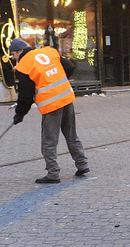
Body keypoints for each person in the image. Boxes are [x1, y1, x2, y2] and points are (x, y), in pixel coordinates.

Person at [10, 38, 89, 184]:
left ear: (20, 51)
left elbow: (25, 97)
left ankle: (53, 173)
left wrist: (19, 114)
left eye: (14, 55)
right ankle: (82, 165)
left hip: (51, 104)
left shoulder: (24, 66)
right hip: (66, 98)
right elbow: (70, 68)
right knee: (71, 134)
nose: (14, 58)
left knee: (49, 141)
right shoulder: (49, 52)